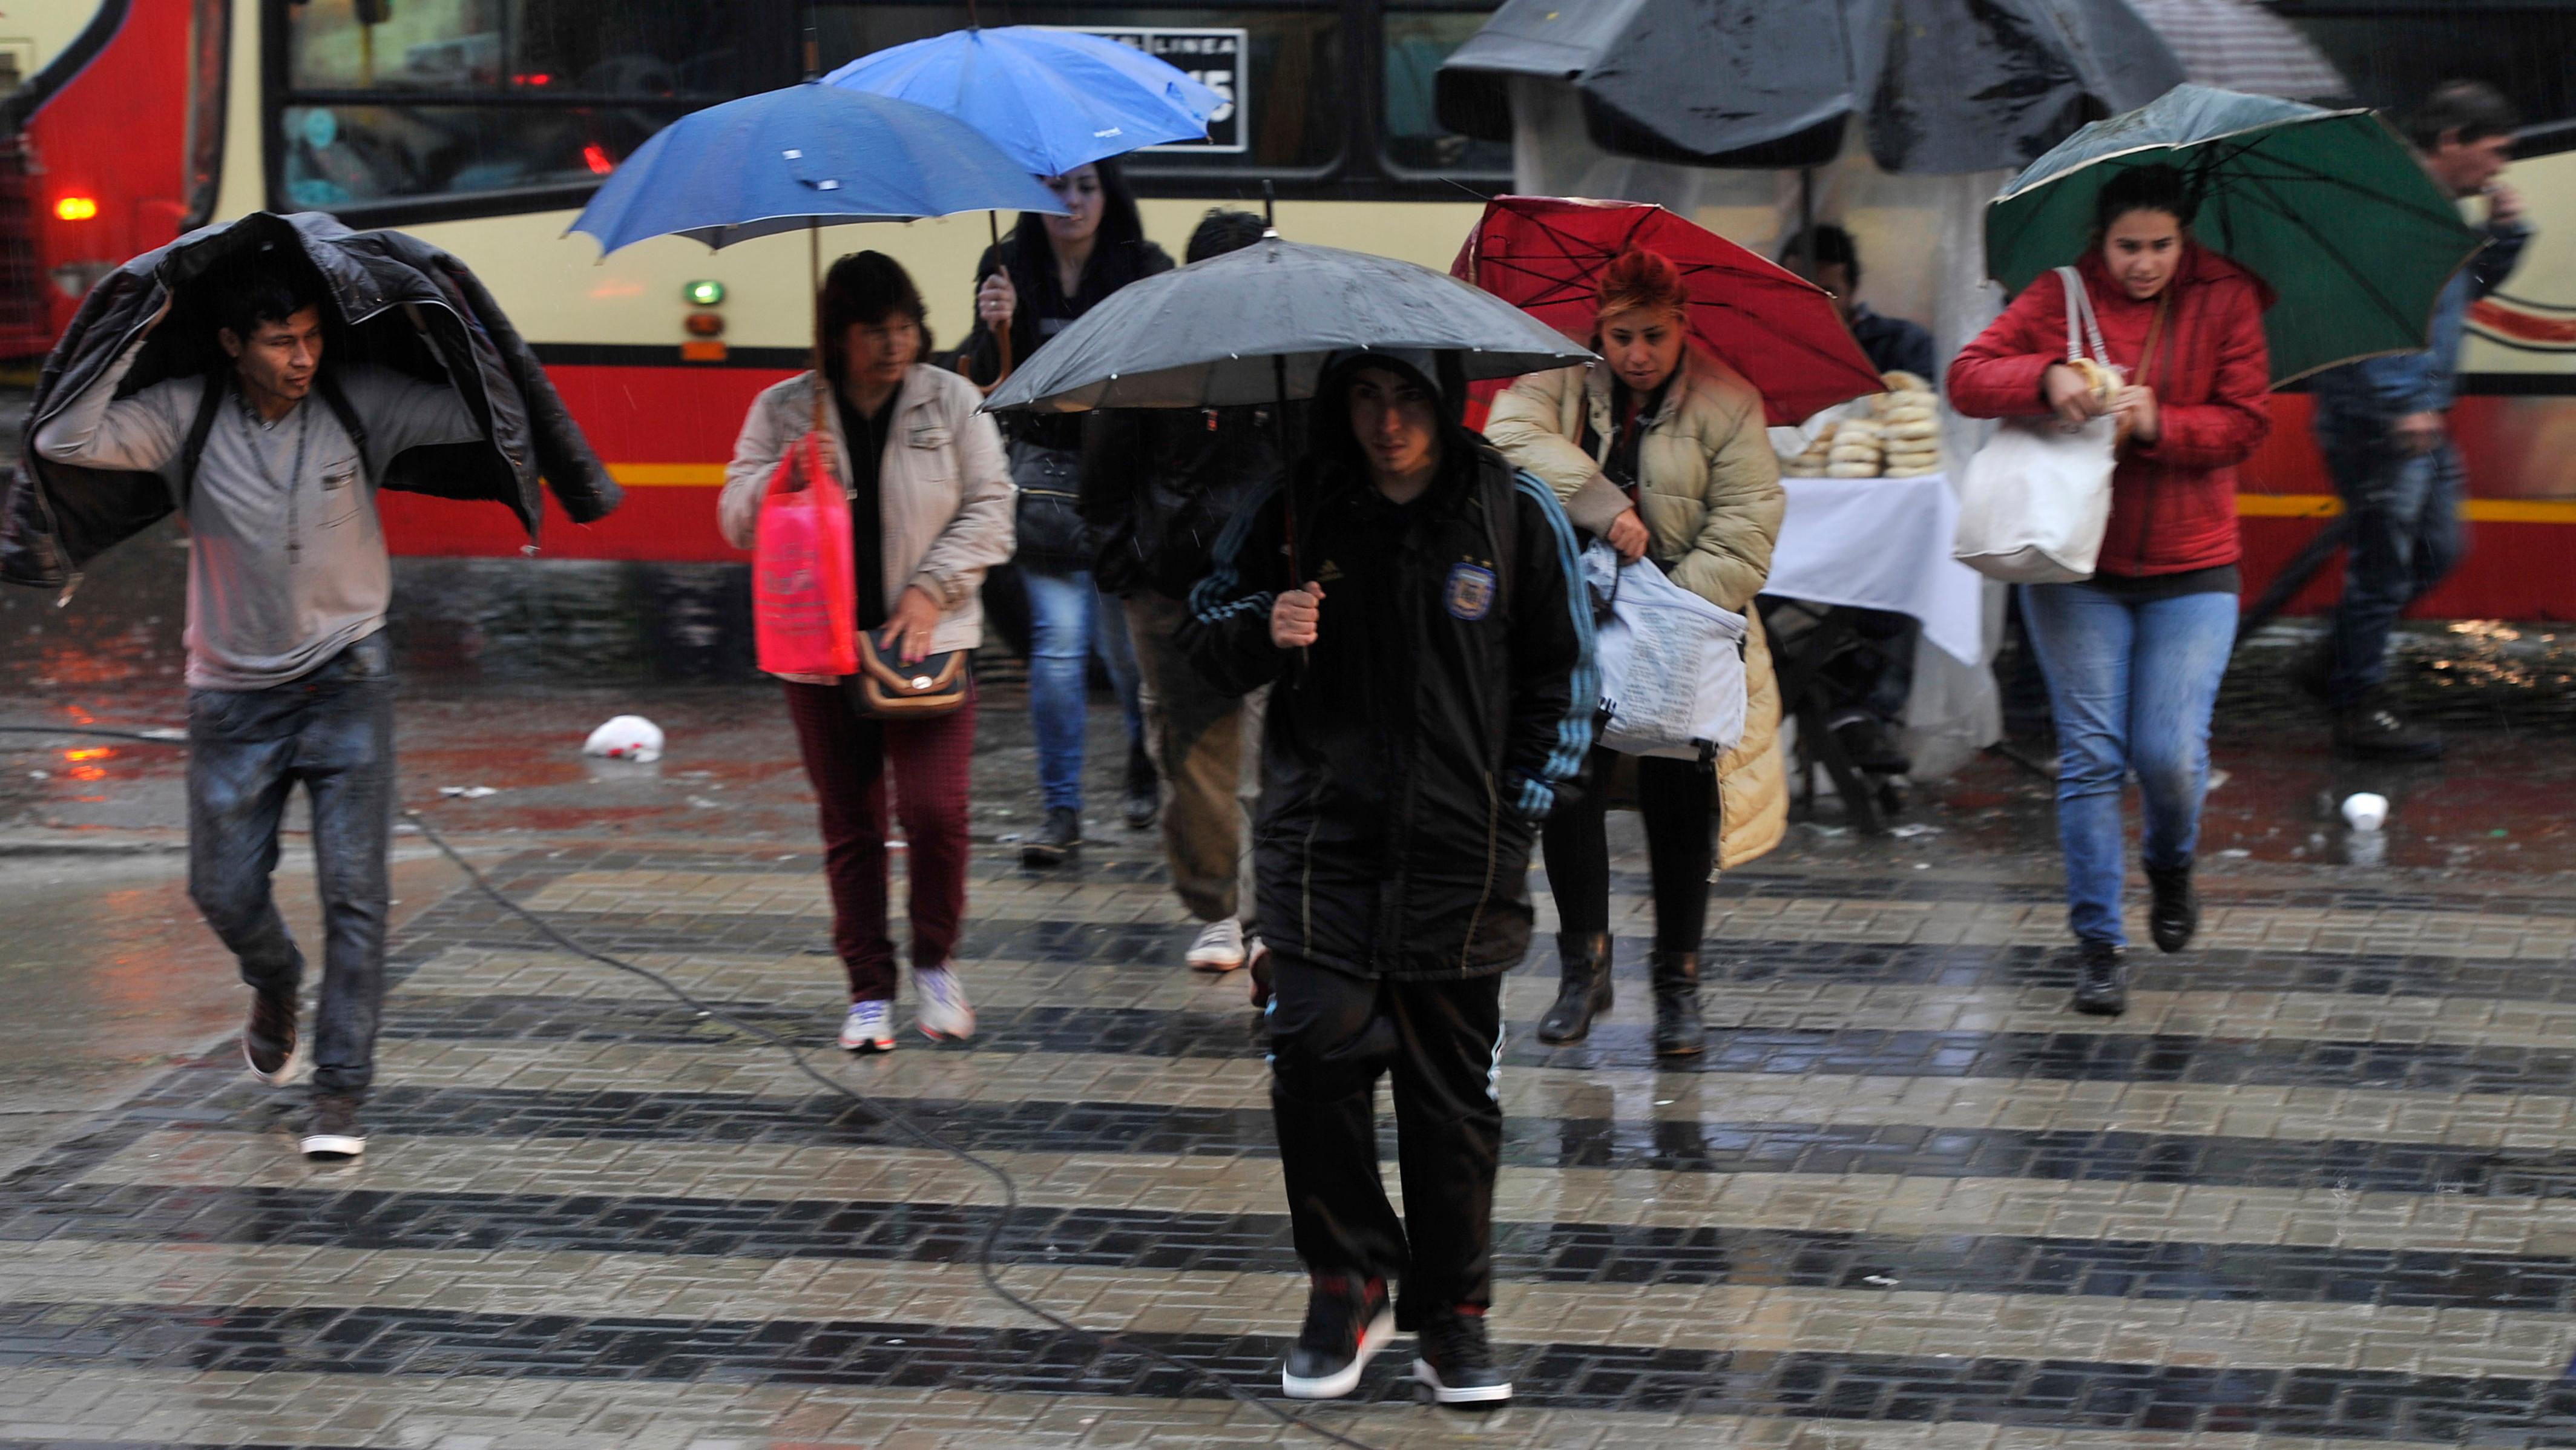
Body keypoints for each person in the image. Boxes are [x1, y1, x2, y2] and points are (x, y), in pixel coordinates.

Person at [1184, 349, 1594, 1407]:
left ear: (1444, 400)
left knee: (1450, 1100)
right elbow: (1199, 637)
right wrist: (1260, 629)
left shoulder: (1513, 509)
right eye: (1364, 397)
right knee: (1312, 1050)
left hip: (1465, 851)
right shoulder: (1293, 508)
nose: (1387, 421)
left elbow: (1568, 677)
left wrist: (1519, 812)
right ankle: (1348, 1277)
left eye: (1408, 396)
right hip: (1321, 845)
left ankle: (1454, 1317)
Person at [30, 262, 490, 1161]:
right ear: (234, 343)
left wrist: (450, 329)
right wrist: (132, 328)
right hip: (232, 696)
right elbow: (64, 435)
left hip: (351, 677)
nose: (303, 357)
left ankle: (340, 1092)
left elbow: (482, 416)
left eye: (314, 337)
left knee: (358, 895)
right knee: (222, 887)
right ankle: (276, 978)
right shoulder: (185, 414)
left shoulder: (359, 403)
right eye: (281, 340)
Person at [1949, 164, 2272, 1018]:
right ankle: (2099, 942)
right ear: (2101, 240)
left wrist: (2157, 421)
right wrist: (2047, 374)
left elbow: (2247, 422)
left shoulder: (2228, 296)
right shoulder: (2061, 295)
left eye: (2161, 245)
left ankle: (2170, 865)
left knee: (2170, 755)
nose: (2144, 263)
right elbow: (1968, 375)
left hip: (2194, 565)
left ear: (2184, 237)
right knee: (2092, 754)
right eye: (2128, 246)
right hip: (2071, 565)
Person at [1485, 249, 1788, 1058]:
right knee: (1569, 787)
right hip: (1576, 629)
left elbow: (1748, 531)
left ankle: (1678, 984)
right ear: (1599, 326)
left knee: (1681, 798)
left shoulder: (1728, 402)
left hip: (1689, 626)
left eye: (1654, 335)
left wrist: (1666, 614)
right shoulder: (1563, 376)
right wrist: (1601, 502)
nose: (1638, 354)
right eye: (1621, 335)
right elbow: (1507, 433)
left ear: (1684, 326)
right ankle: (1584, 968)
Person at [720, 252, 1014, 1054]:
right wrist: (782, 475)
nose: (893, 344)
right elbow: (736, 520)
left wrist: (932, 590)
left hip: (930, 639)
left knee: (935, 809)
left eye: (904, 326)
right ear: (836, 336)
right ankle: (867, 988)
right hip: (817, 647)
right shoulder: (783, 408)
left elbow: (993, 509)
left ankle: (936, 958)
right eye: (872, 330)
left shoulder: (952, 400)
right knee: (850, 820)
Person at [1079, 208, 1284, 975]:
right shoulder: (1146, 367)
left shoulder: (1291, 363)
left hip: (1272, 587)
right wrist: (1129, 576)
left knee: (1272, 754)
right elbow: (1102, 485)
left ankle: (1270, 911)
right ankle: (1219, 906)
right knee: (1192, 754)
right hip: (1169, 590)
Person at [2304, 80, 2531, 760]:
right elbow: (2369, 315)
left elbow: (2461, 288)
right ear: (2450, 141)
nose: (2497, 168)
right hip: (2377, 417)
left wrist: (2505, 236)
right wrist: (2401, 400)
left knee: (2437, 547)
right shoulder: (2390, 207)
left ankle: (2338, 661)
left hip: (2416, 412)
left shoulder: (2432, 208)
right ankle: (2356, 705)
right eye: (2490, 153)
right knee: (2385, 561)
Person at [967, 159, 1172, 865]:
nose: (1072, 202)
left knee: (1125, 652)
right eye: (1056, 187)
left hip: (1123, 488)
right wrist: (992, 327)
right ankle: (1061, 809)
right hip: (1045, 485)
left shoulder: (1143, 267)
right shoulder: (1005, 264)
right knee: (1056, 650)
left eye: (1086, 187)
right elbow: (986, 381)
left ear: (1107, 196)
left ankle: (1143, 763)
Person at [1779, 223, 1938, 383]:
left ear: (1852, 289)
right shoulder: (1767, 349)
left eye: (1826, 293)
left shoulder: (1904, 345)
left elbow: (1928, 400)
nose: (1809, 304)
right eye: (1797, 291)